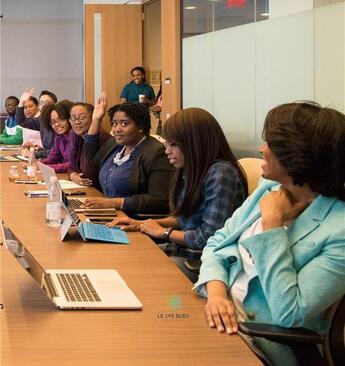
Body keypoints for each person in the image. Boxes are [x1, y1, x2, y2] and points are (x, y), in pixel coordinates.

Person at [195, 102, 345, 366]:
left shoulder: (339, 229)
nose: (261, 149)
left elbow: (291, 312)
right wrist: (217, 295)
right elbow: (217, 244)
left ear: (296, 156)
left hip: (258, 343)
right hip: (216, 314)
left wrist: (272, 225)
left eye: (269, 144)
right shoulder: (269, 188)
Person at [108, 107, 248, 282]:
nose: (167, 151)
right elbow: (185, 219)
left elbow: (209, 237)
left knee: (135, 273)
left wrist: (163, 232)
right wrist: (141, 224)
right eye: (167, 144)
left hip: (203, 263)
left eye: (173, 145)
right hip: (182, 250)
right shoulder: (191, 169)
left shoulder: (221, 174)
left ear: (196, 143)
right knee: (121, 258)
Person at [82, 93, 173, 214]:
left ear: (140, 126)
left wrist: (114, 203)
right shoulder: (115, 145)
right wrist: (96, 120)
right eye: (114, 123)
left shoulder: (157, 153)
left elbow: (160, 201)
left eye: (124, 124)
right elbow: (91, 155)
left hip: (135, 221)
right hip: (110, 214)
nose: (117, 129)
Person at [67, 102, 111, 187]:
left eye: (81, 118)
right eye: (73, 118)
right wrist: (73, 176)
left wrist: (76, 176)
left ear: (92, 118)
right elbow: (71, 166)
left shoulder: (100, 138)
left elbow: (88, 176)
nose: (76, 122)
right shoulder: (78, 136)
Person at [15, 88, 57, 157]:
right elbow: (21, 121)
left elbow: (56, 151)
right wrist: (21, 102)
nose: (44, 105)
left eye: (47, 102)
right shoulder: (41, 120)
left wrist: (34, 154)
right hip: (46, 158)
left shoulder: (59, 123)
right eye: (41, 102)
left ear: (55, 104)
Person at [40, 100, 78, 173]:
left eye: (60, 120)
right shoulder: (59, 136)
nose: (57, 124)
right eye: (53, 122)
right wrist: (38, 164)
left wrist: (46, 167)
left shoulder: (76, 135)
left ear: (69, 118)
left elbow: (73, 164)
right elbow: (53, 158)